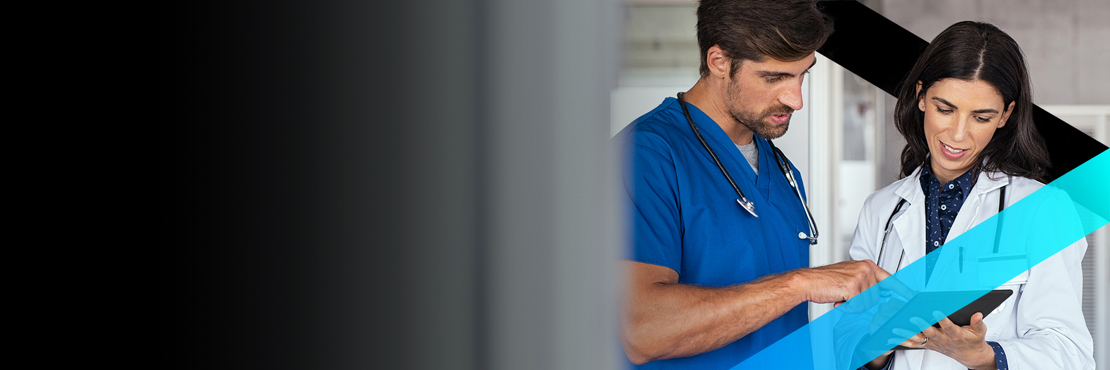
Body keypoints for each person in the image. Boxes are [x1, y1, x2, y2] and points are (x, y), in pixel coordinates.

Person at [616, 1, 894, 368]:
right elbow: (641, 331)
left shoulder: (783, 171)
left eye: (802, 74)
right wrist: (800, 284)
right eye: (774, 77)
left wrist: (871, 338)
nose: (796, 99)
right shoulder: (645, 155)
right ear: (718, 62)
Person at [848, 21, 1094, 370]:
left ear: (1005, 115)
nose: (958, 134)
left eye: (981, 117)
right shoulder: (881, 210)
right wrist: (880, 342)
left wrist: (982, 356)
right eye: (945, 109)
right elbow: (846, 347)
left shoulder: (1042, 210)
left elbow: (1072, 355)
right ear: (921, 96)